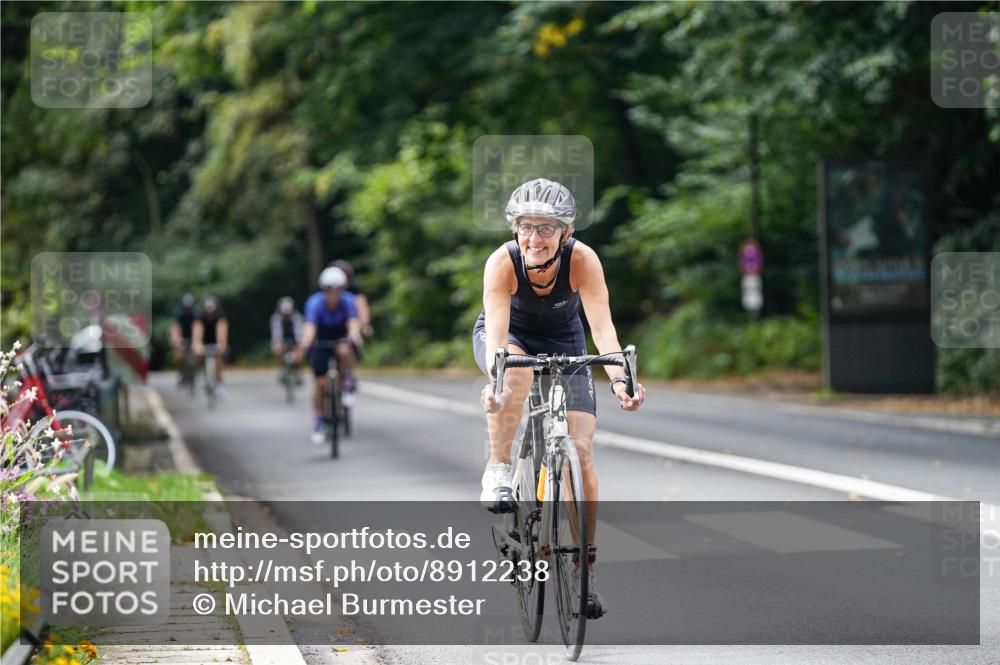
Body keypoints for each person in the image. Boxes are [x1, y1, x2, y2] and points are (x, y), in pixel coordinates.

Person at [472, 177, 646, 620]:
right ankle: (498, 468)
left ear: (565, 232)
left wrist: (621, 380)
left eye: (546, 228)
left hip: (565, 338)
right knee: (520, 373)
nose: (534, 238)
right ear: (515, 228)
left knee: (582, 451)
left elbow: (602, 330)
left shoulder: (583, 260)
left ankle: (583, 569)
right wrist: (496, 385)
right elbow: (495, 336)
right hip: (508, 335)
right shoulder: (502, 263)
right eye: (526, 227)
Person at [298, 266, 364, 446]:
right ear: (323, 290)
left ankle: (348, 381)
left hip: (341, 336)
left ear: (343, 290)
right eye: (329, 290)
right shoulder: (314, 303)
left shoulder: (349, 302)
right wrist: (306, 342)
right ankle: (319, 421)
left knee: (344, 349)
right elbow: (310, 327)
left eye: (338, 290)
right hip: (321, 338)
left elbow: (353, 323)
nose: (333, 294)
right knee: (320, 384)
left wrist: (354, 335)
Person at [192, 295, 229, 390]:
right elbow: (197, 332)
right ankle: (200, 372)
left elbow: (222, 331)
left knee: (219, 359)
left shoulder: (220, 316)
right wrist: (196, 344)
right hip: (203, 341)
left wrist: (222, 344)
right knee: (198, 355)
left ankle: (219, 379)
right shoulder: (200, 317)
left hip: (216, 341)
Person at [332, 260, 374, 338]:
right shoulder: (322, 289)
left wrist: (365, 324)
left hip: (350, 324)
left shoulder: (353, 287)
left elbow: (362, 305)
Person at [169, 294, 199, 386]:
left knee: (199, 354)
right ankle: (182, 375)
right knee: (179, 357)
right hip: (182, 338)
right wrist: (176, 340)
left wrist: (197, 340)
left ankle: (199, 372)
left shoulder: (197, 314)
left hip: (195, 337)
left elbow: (199, 327)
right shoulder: (178, 313)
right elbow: (175, 327)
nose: (187, 309)